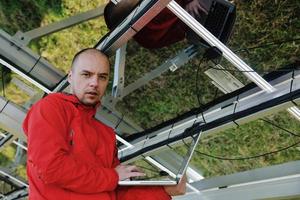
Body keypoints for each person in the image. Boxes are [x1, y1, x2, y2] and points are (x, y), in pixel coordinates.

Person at [23, 48, 186, 200]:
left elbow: (116, 192)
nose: (94, 83)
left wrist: (164, 191)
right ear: (70, 77)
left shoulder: (106, 134)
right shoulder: (51, 107)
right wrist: (113, 176)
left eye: (102, 77)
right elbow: (51, 168)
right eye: (86, 74)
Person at [104, 0, 210, 49]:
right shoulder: (148, 36)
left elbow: (183, 33)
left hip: (197, 21)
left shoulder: (146, 40)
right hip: (198, 14)